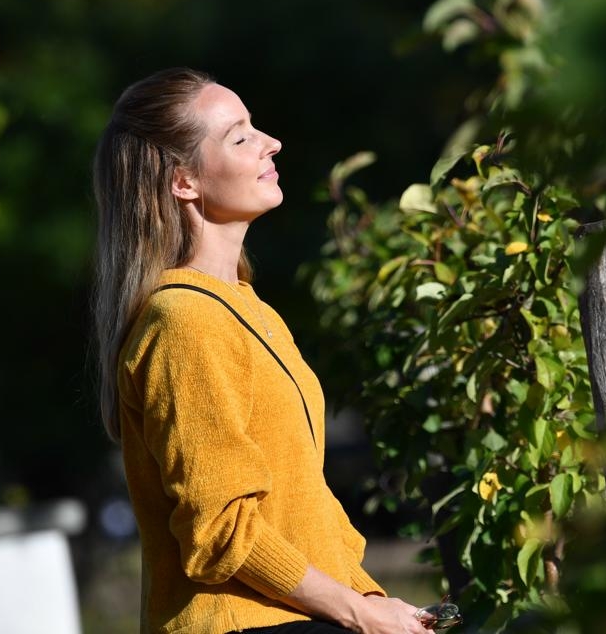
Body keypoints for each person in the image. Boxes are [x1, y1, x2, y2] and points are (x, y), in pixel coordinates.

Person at [91, 67, 433, 634]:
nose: (271, 143)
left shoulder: (248, 310)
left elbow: (305, 504)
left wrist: (374, 601)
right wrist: (362, 613)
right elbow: (223, 531)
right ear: (184, 182)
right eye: (240, 136)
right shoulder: (183, 321)